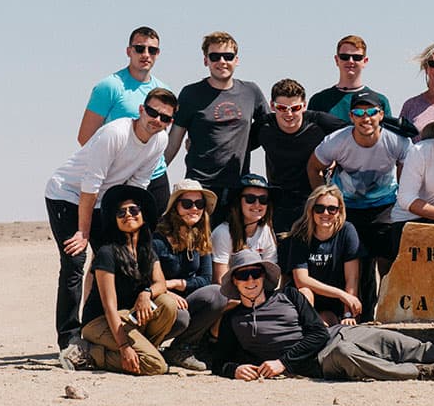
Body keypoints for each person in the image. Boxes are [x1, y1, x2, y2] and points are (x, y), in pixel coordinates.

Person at [212, 250, 434, 386]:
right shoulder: (234, 320)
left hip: (340, 334)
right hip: (324, 360)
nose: (251, 280)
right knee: (347, 356)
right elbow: (218, 360)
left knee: (415, 346)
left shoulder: (290, 296)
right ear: (235, 281)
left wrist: (282, 361)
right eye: (244, 276)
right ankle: (421, 375)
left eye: (256, 272)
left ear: (264, 276)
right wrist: (233, 368)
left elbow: (316, 332)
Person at [45, 87, 177, 351]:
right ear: (141, 110)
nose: (157, 121)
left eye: (164, 118)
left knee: (116, 256)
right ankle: (70, 338)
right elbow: (89, 185)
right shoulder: (115, 133)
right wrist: (83, 232)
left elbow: (137, 185)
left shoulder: (159, 140)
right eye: (152, 112)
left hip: (102, 200)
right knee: (75, 260)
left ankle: (105, 323)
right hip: (68, 195)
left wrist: (130, 227)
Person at [307, 91, 412, 321]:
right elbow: (313, 167)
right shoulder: (337, 140)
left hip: (384, 204)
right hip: (348, 207)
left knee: (388, 261)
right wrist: (323, 198)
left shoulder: (397, 141)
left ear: (381, 114)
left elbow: (409, 171)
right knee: (359, 265)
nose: (366, 118)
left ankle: (388, 314)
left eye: (372, 112)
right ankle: (359, 316)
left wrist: (402, 199)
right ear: (351, 116)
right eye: (359, 113)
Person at [59, 186, 177, 375]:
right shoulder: (107, 253)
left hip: (127, 316)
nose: (127, 215)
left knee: (168, 304)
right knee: (156, 366)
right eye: (120, 212)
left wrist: (147, 294)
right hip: (100, 321)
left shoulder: (147, 250)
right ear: (114, 220)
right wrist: (123, 346)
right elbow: (109, 306)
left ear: (143, 214)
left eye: (133, 210)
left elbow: (160, 284)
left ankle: (142, 351)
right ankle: (88, 353)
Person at [164, 31, 269, 226]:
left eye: (228, 56)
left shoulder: (251, 91)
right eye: (215, 56)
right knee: (197, 249)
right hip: (199, 188)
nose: (222, 61)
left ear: (236, 60)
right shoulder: (191, 93)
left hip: (238, 186)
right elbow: (173, 142)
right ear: (206, 61)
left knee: (232, 250)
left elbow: (269, 132)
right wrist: (153, 176)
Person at [250, 78, 347, 276]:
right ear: (272, 106)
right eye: (282, 108)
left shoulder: (319, 122)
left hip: (312, 200)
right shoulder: (264, 126)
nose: (288, 114)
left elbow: (354, 134)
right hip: (279, 201)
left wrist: (335, 158)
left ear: (304, 105)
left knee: (315, 262)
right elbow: (235, 142)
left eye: (295, 108)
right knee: (284, 262)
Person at [76, 26, 173, 210]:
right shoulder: (110, 87)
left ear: (158, 54)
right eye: (139, 48)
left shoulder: (164, 91)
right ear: (129, 51)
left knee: (158, 236)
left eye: (152, 50)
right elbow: (85, 137)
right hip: (119, 177)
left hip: (155, 176)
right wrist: (118, 170)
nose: (146, 54)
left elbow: (161, 135)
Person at [154, 179, 229, 371]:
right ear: (175, 207)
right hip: (159, 299)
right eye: (187, 204)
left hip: (183, 297)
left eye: (199, 204)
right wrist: (165, 290)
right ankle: (150, 346)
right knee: (180, 317)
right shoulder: (158, 239)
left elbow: (206, 278)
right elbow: (145, 278)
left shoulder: (201, 237)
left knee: (218, 294)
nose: (194, 209)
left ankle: (181, 348)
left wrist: (177, 283)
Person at [288, 185, 363, 326]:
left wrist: (348, 312)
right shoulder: (301, 234)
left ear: (339, 211)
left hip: (335, 304)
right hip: (310, 299)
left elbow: (352, 278)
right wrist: (341, 294)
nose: (325, 213)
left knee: (325, 325)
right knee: (305, 292)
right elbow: (301, 280)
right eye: (319, 208)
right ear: (311, 210)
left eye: (332, 209)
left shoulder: (347, 231)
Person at [210, 174, 279, 284]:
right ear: (238, 202)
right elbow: (220, 280)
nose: (257, 204)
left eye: (263, 199)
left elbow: (271, 275)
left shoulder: (267, 231)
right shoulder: (223, 233)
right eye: (250, 199)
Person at [307, 35, 394, 122]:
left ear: (365, 61)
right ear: (337, 60)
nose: (350, 61)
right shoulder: (318, 101)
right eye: (345, 57)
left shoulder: (380, 101)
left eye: (357, 57)